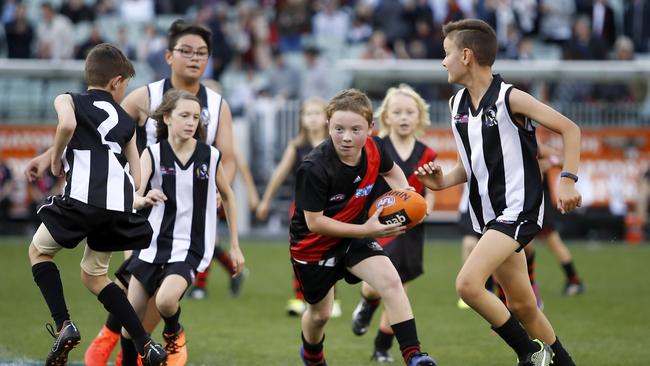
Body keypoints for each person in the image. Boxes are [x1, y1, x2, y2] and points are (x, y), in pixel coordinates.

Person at [415, 19, 581, 366]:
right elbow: (471, 165)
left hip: (517, 211)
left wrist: (567, 178)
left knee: (468, 285)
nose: (442, 62)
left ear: (466, 55)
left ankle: (529, 354)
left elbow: (570, 128)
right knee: (522, 305)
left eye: (446, 54)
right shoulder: (457, 105)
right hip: (488, 218)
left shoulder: (510, 98)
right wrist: (442, 182)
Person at [27, 43, 166, 366]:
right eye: (127, 84)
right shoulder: (126, 121)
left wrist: (57, 159)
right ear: (116, 81)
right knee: (94, 276)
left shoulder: (68, 99)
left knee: (39, 252)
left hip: (82, 199)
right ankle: (146, 345)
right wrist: (133, 197)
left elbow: (67, 126)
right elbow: (136, 170)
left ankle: (64, 325)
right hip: (116, 207)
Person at [291, 88, 437, 366]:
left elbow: (393, 172)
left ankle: (414, 355)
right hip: (313, 246)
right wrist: (367, 231)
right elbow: (315, 222)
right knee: (320, 314)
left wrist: (408, 197)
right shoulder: (313, 167)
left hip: (354, 235)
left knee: (392, 282)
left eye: (356, 129)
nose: (347, 137)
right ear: (328, 125)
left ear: (371, 128)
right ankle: (311, 354)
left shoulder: (374, 148)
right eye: (339, 128)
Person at [119, 89, 245, 366]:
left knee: (165, 301)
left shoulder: (210, 156)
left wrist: (234, 245)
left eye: (196, 117)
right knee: (128, 323)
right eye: (184, 115)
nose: (191, 122)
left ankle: (173, 332)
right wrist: (143, 199)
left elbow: (228, 195)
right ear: (167, 118)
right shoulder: (152, 153)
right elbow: (134, 195)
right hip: (151, 245)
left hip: (190, 246)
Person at [348, 84, 437, 363]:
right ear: (385, 116)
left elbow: (430, 188)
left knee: (400, 289)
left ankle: (381, 347)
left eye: (410, 112)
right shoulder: (376, 147)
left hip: (412, 229)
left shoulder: (427, 153)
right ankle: (367, 301)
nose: (403, 117)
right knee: (379, 285)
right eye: (397, 111)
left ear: (419, 116)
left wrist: (427, 209)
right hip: (380, 225)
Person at [254, 97, 338, 317]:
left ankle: (331, 298)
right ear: (301, 118)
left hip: (331, 209)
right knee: (300, 252)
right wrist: (266, 201)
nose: (312, 118)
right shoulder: (297, 146)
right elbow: (279, 173)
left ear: (327, 118)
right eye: (308, 114)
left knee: (330, 252)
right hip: (301, 209)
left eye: (317, 113)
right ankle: (299, 297)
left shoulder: (335, 144)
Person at [536, 143, 584, 296]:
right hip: (522, 202)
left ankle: (574, 280)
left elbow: (562, 158)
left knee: (552, 242)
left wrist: (549, 162)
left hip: (537, 202)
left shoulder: (529, 142)